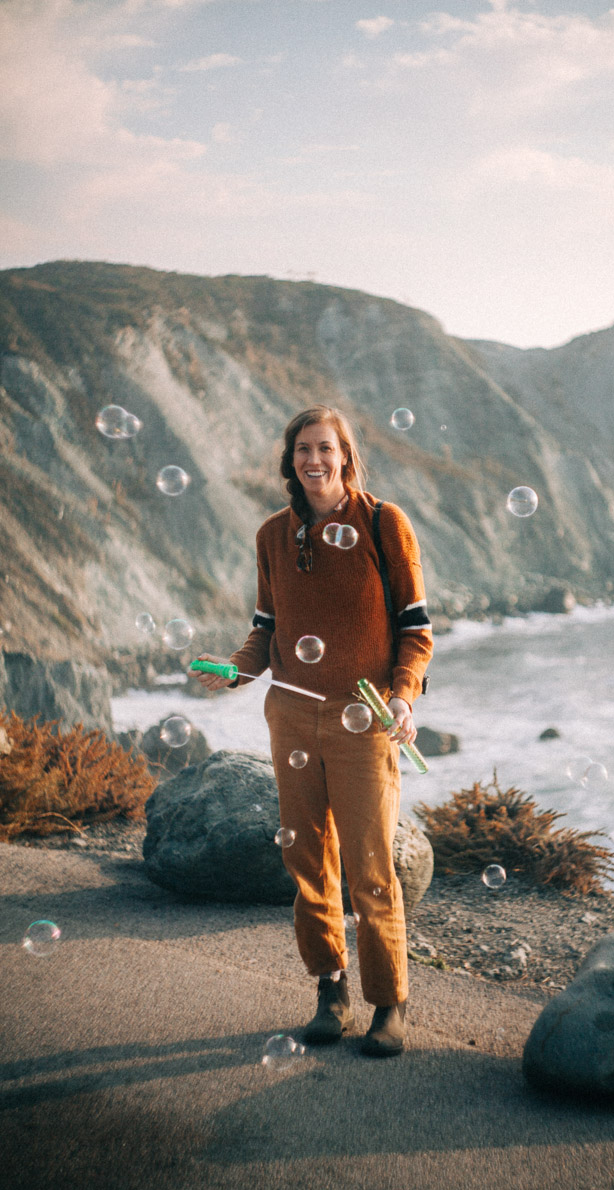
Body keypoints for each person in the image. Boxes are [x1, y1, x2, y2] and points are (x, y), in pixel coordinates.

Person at [190, 404, 433, 1058]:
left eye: (326, 448)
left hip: (365, 719)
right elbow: (265, 632)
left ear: (346, 456)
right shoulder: (273, 533)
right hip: (292, 714)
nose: (315, 460)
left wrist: (404, 698)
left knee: (371, 868)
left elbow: (416, 631)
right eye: (303, 449)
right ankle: (331, 990)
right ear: (290, 460)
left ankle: (389, 1004)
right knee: (306, 859)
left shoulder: (385, 524)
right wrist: (234, 672)